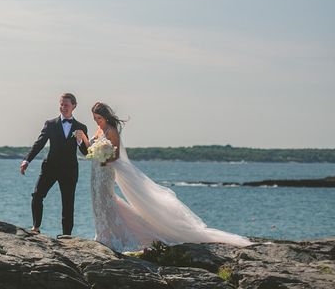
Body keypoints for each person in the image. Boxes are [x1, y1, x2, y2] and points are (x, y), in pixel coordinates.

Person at [75, 101, 251, 252]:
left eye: (99, 118)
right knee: (96, 200)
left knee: (107, 199)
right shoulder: (99, 130)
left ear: (106, 116)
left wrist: (103, 158)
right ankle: (103, 232)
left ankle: (110, 235)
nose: (97, 121)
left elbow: (115, 155)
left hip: (106, 171)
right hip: (95, 171)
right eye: (95, 119)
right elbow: (91, 148)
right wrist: (83, 138)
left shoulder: (112, 130)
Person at [20, 93, 88, 236]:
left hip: (69, 170)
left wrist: (80, 141)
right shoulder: (50, 124)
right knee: (37, 196)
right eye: (61, 104)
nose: (63, 107)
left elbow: (86, 153)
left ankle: (66, 236)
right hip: (50, 167)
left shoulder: (81, 127)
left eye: (66, 105)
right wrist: (27, 160)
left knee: (68, 204)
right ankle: (35, 227)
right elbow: (39, 143)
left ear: (74, 106)